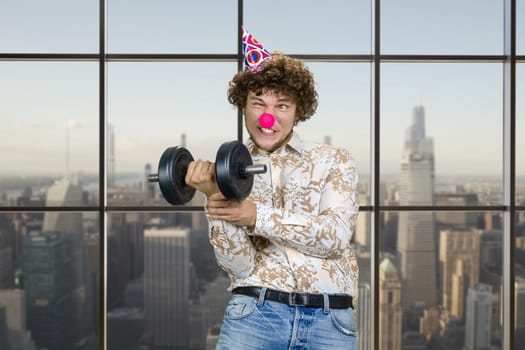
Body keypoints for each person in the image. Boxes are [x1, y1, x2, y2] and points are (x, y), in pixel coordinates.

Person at [186, 28, 359, 350]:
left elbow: (335, 237)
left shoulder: (334, 160)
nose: (268, 118)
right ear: (243, 107)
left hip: (329, 319)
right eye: (258, 103)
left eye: (282, 105)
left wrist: (255, 215)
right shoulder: (225, 173)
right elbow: (239, 266)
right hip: (254, 314)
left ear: (297, 111)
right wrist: (215, 195)